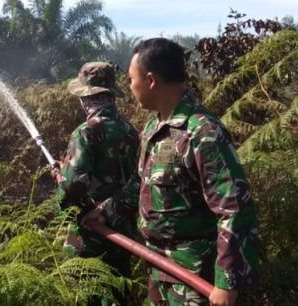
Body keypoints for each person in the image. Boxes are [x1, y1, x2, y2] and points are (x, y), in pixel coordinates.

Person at [82, 38, 259, 306]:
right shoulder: (154, 128)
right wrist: (106, 210)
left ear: (151, 80)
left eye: (131, 79)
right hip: (160, 268)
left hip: (195, 276)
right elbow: (140, 184)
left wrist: (227, 284)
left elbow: (234, 210)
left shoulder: (202, 132)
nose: (130, 88)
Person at [52, 62, 139, 301]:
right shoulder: (129, 130)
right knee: (117, 290)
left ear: (85, 97)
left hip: (90, 232)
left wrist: (61, 178)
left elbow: (71, 190)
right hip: (121, 228)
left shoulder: (85, 132)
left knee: (84, 292)